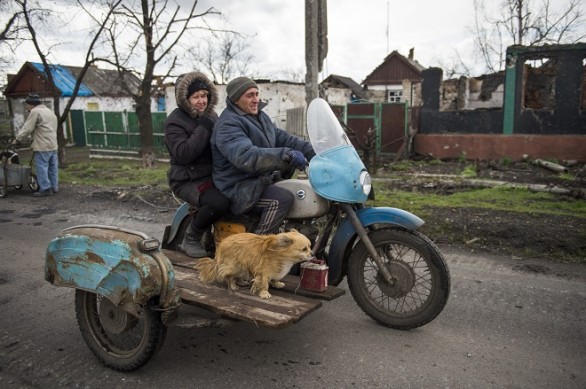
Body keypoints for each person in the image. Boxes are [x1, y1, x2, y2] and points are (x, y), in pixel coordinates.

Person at [211, 77, 315, 235]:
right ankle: (260, 251)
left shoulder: (261, 117)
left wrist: (318, 152)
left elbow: (286, 139)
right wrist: (285, 154)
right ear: (235, 99)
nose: (255, 100)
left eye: (257, 94)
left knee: (303, 192)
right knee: (282, 199)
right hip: (238, 187)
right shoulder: (228, 124)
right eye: (249, 95)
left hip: (259, 182)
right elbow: (246, 157)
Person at [164, 71, 230, 258]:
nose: (202, 101)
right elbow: (184, 154)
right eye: (196, 97)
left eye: (204, 96)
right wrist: (204, 127)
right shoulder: (174, 123)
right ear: (185, 99)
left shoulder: (210, 116)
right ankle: (191, 238)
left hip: (211, 174)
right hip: (187, 179)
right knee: (219, 203)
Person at [13, 94, 59, 197]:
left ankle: (46, 189)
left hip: (42, 145)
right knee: (52, 167)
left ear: (31, 104)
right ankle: (54, 187)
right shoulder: (49, 111)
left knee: (41, 167)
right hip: (53, 144)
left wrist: (17, 140)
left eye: (27, 105)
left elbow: (27, 129)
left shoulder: (35, 112)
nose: (26, 107)